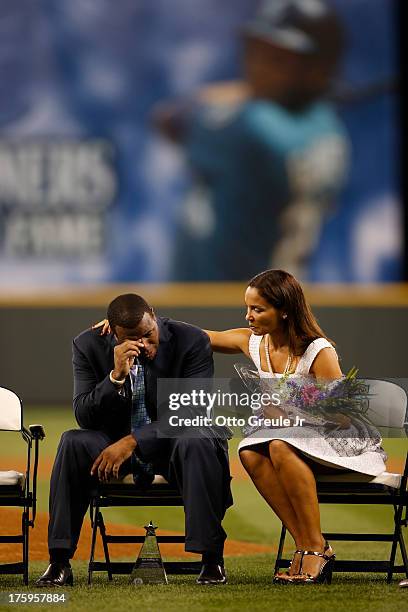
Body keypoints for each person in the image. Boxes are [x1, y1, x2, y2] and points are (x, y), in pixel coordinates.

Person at [35, 294, 232, 587]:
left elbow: (192, 411)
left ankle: (211, 559)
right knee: (72, 442)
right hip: (112, 446)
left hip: (173, 445)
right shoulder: (88, 344)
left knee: (197, 439)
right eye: (133, 339)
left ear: (153, 315)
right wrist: (115, 377)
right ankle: (59, 561)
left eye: (148, 334)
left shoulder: (191, 340)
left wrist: (133, 441)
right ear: (114, 333)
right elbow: (84, 416)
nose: (144, 344)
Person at [204, 269, 387, 584]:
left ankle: (313, 547)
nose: (248, 316)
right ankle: (310, 544)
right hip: (294, 440)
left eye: (258, 309)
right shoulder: (255, 343)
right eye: (247, 308)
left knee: (278, 445)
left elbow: (342, 416)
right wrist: (146, 324)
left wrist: (290, 411)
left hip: (344, 444)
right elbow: (201, 337)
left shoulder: (318, 351)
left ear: (284, 310)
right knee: (249, 451)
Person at [155, 0, 348, 281]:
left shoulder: (250, 126)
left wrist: (222, 97)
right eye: (254, 51)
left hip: (220, 303)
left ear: (318, 72)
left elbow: (169, 120)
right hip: (273, 307)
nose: (256, 67)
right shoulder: (330, 132)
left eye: (278, 60)